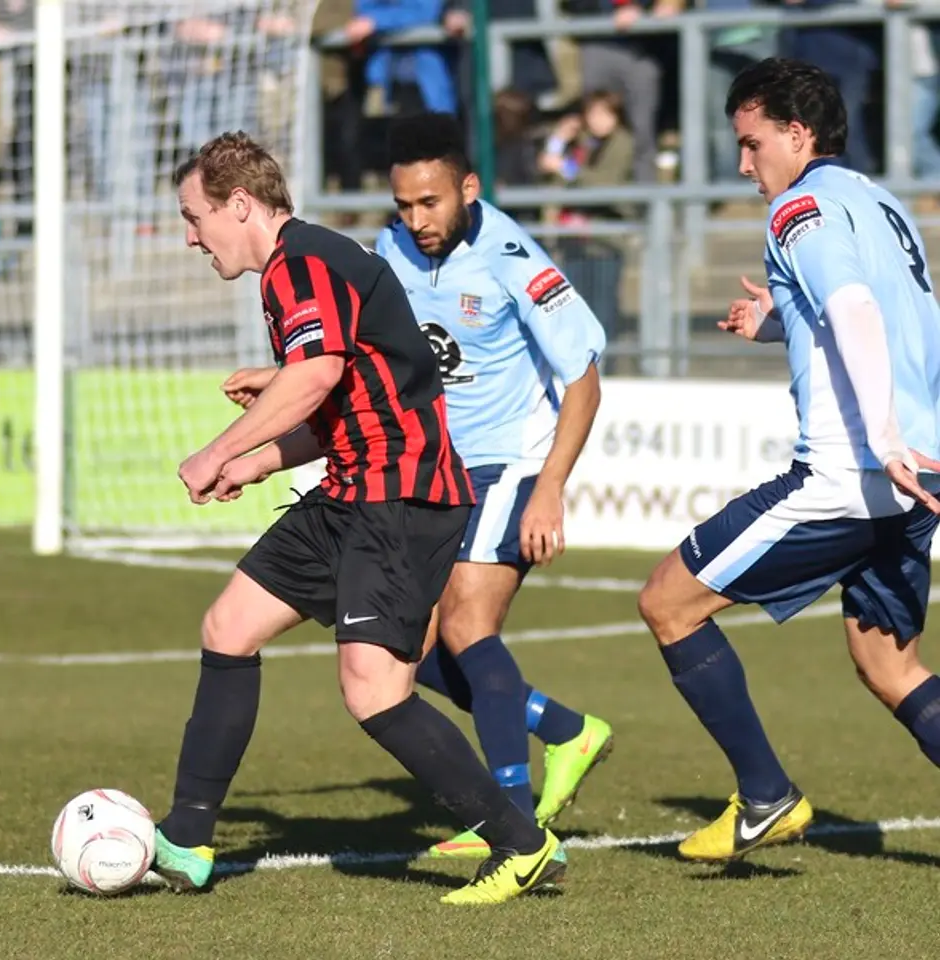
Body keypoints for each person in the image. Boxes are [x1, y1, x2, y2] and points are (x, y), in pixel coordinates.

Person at [154, 131, 565, 904]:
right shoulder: (299, 265)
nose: (190, 237)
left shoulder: (304, 263)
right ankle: (187, 838)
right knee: (229, 627)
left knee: (374, 691)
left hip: (401, 497)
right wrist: (252, 465)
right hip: (352, 488)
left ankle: (520, 843)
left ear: (238, 204)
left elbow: (315, 376)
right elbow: (340, 401)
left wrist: (216, 451)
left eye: (193, 217)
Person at [637, 57, 940, 863]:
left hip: (853, 472)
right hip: (919, 471)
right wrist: (777, 320)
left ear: (798, 135)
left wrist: (881, 439)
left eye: (752, 143)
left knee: (669, 603)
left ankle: (766, 795)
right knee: (889, 665)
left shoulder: (798, 207)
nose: (745, 165)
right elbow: (878, 312)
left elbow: (854, 307)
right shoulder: (878, 202)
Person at [377, 111, 613, 859]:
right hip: (435, 467)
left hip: (511, 461)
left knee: (468, 627)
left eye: (431, 203)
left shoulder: (514, 259)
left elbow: (583, 380)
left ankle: (512, 823)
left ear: (468, 188)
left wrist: (550, 488)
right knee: (397, 651)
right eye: (404, 205)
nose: (417, 221)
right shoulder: (389, 248)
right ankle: (565, 730)